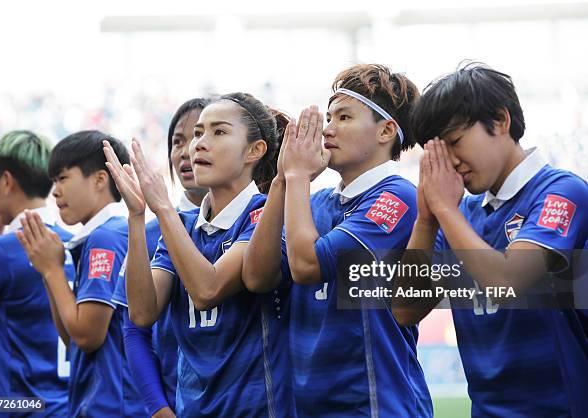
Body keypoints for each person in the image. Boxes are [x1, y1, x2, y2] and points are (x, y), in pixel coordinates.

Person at [392, 62, 588, 417]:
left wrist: (445, 211)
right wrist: (426, 218)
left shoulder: (561, 191)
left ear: (500, 121)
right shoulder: (461, 214)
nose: (450, 163)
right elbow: (406, 309)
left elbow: (507, 281)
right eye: (437, 153)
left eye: (454, 142)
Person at [243, 64, 432, 417]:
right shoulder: (315, 202)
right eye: (328, 117)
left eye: (344, 117)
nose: (328, 129)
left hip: (374, 406)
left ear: (386, 130)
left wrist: (298, 175)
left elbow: (307, 266)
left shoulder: (398, 197)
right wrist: (283, 179)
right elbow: (257, 276)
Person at [104, 93, 295, 416]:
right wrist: (137, 217)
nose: (198, 145)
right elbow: (142, 313)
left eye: (218, 132)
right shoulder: (183, 224)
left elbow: (208, 290)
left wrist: (162, 207)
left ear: (255, 150)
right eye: (197, 134)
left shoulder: (265, 214)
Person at [17, 131, 147, 417]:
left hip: (113, 405)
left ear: (100, 179)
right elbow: (71, 336)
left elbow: (88, 336)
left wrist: (52, 270)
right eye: (53, 181)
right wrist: (46, 269)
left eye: (63, 178)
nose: (55, 191)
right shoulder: (99, 235)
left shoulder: (107, 237)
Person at [111, 97, 210, 417]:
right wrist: (158, 408)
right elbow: (134, 329)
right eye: (176, 141)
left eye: (197, 137)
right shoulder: (148, 232)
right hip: (176, 401)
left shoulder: (253, 222)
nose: (185, 151)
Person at [0, 130, 73, 416]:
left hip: (14, 407)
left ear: (6, 181)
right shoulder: (74, 241)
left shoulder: (0, 251)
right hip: (66, 404)